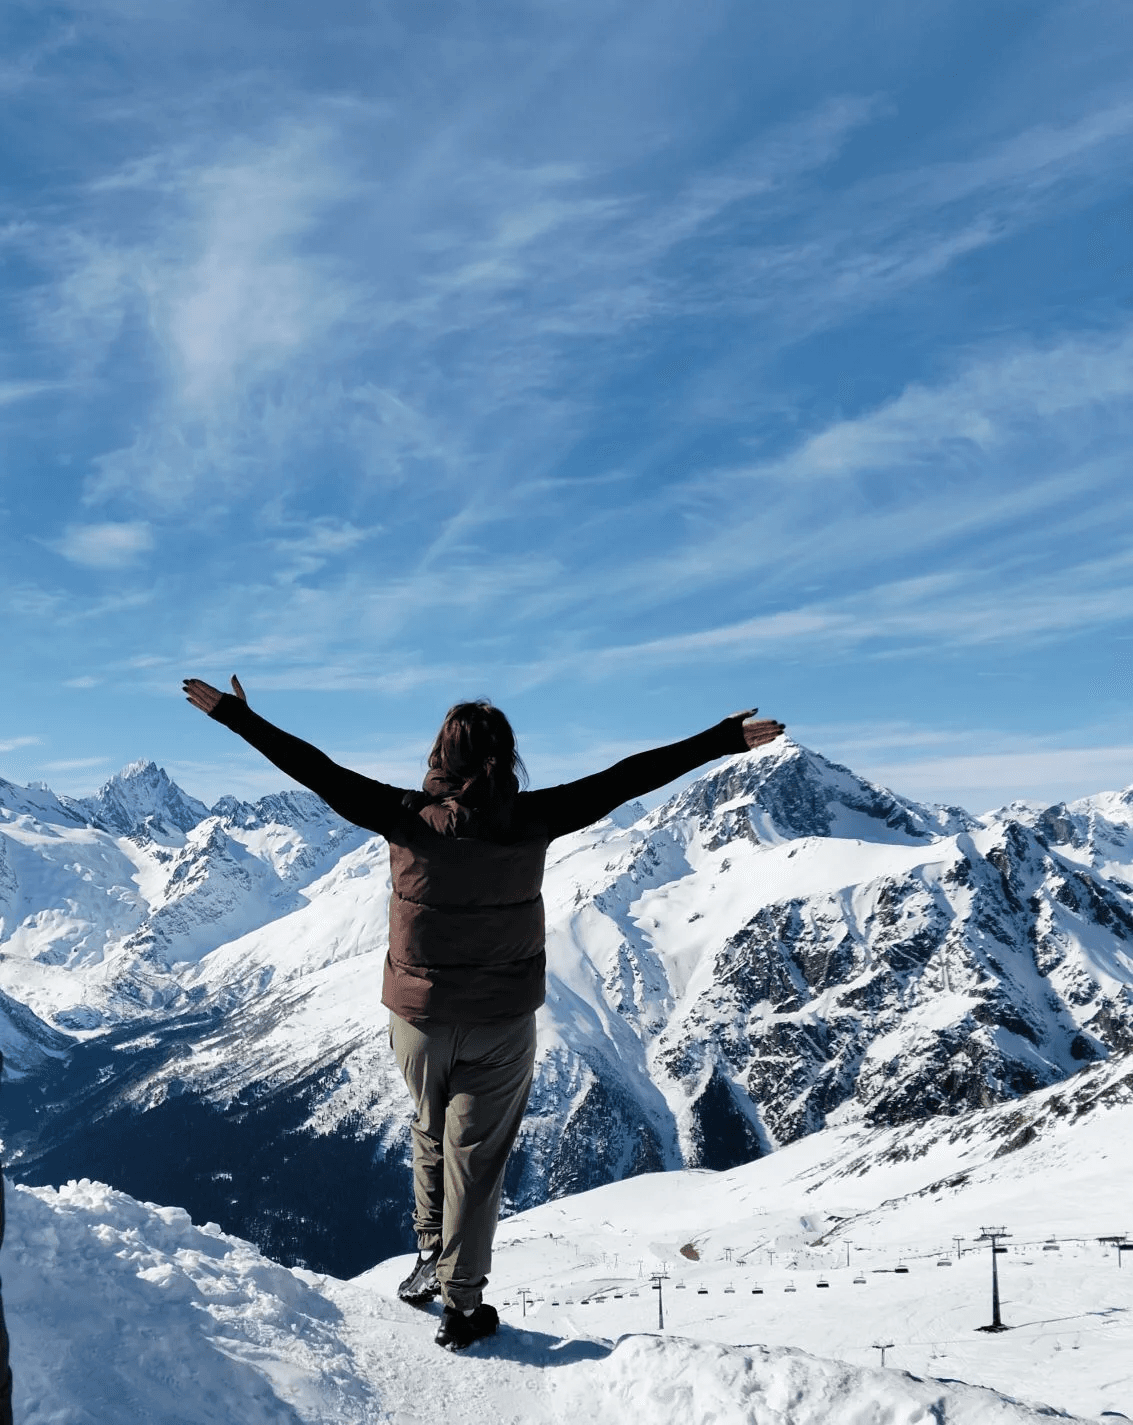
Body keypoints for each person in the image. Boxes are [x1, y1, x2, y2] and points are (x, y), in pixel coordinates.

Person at [184, 676, 784, 1350]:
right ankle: (461, 1305)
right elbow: (625, 778)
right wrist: (720, 740)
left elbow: (316, 770)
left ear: (439, 755)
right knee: (475, 1158)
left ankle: (428, 1255)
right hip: (500, 1022)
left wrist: (239, 717)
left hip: (417, 1018)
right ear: (507, 755)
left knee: (429, 1127)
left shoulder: (402, 814)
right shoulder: (533, 817)